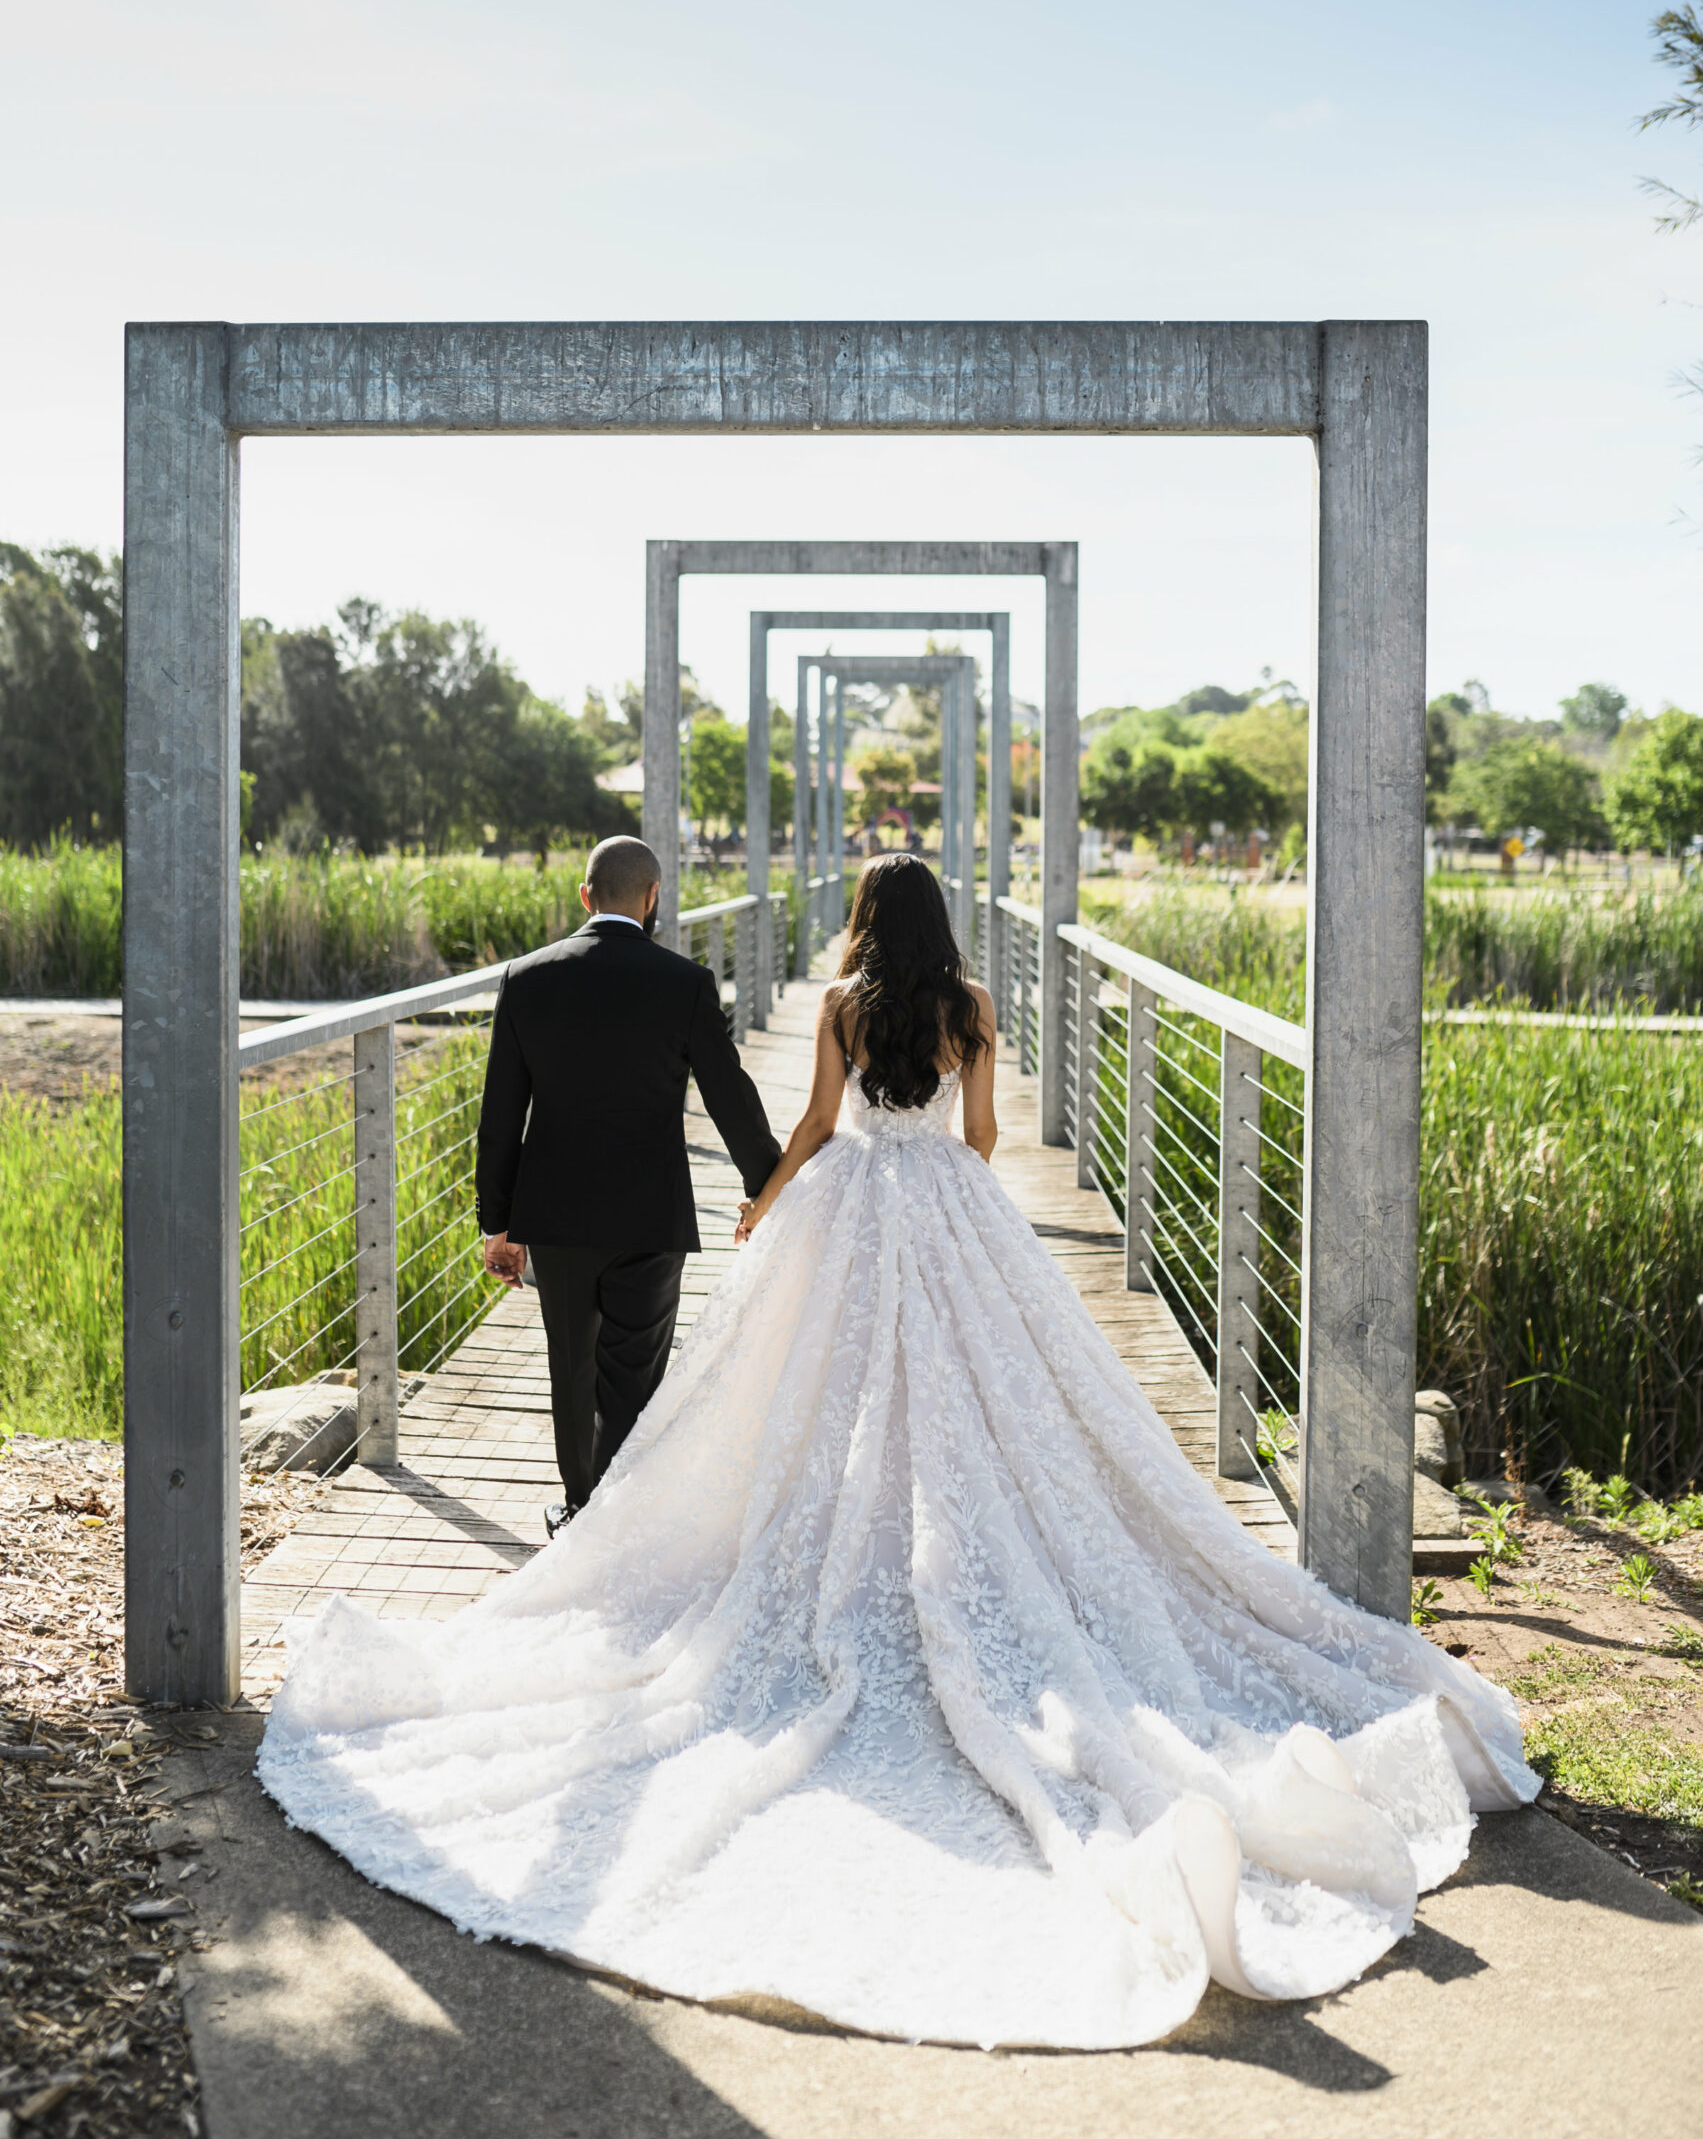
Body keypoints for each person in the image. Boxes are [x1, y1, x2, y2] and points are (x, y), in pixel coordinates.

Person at [261, 853, 1535, 2051]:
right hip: (952, 1212)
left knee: (820, 1394)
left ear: (867, 920)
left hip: (855, 1209)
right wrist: (942, 1177)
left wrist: (766, 1202)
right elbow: (984, 1138)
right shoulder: (970, 1003)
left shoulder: (840, 1000)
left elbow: (815, 1121)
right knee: (994, 1397)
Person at [472, 833, 782, 1538]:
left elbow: (499, 1117)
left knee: (571, 1367)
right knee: (633, 1372)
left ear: (584, 896)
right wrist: (767, 1188)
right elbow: (731, 1098)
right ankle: (621, 1518)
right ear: (652, 900)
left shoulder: (526, 978)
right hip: (649, 1213)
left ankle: (580, 1509)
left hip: (554, 1214)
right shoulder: (684, 982)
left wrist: (498, 1222)